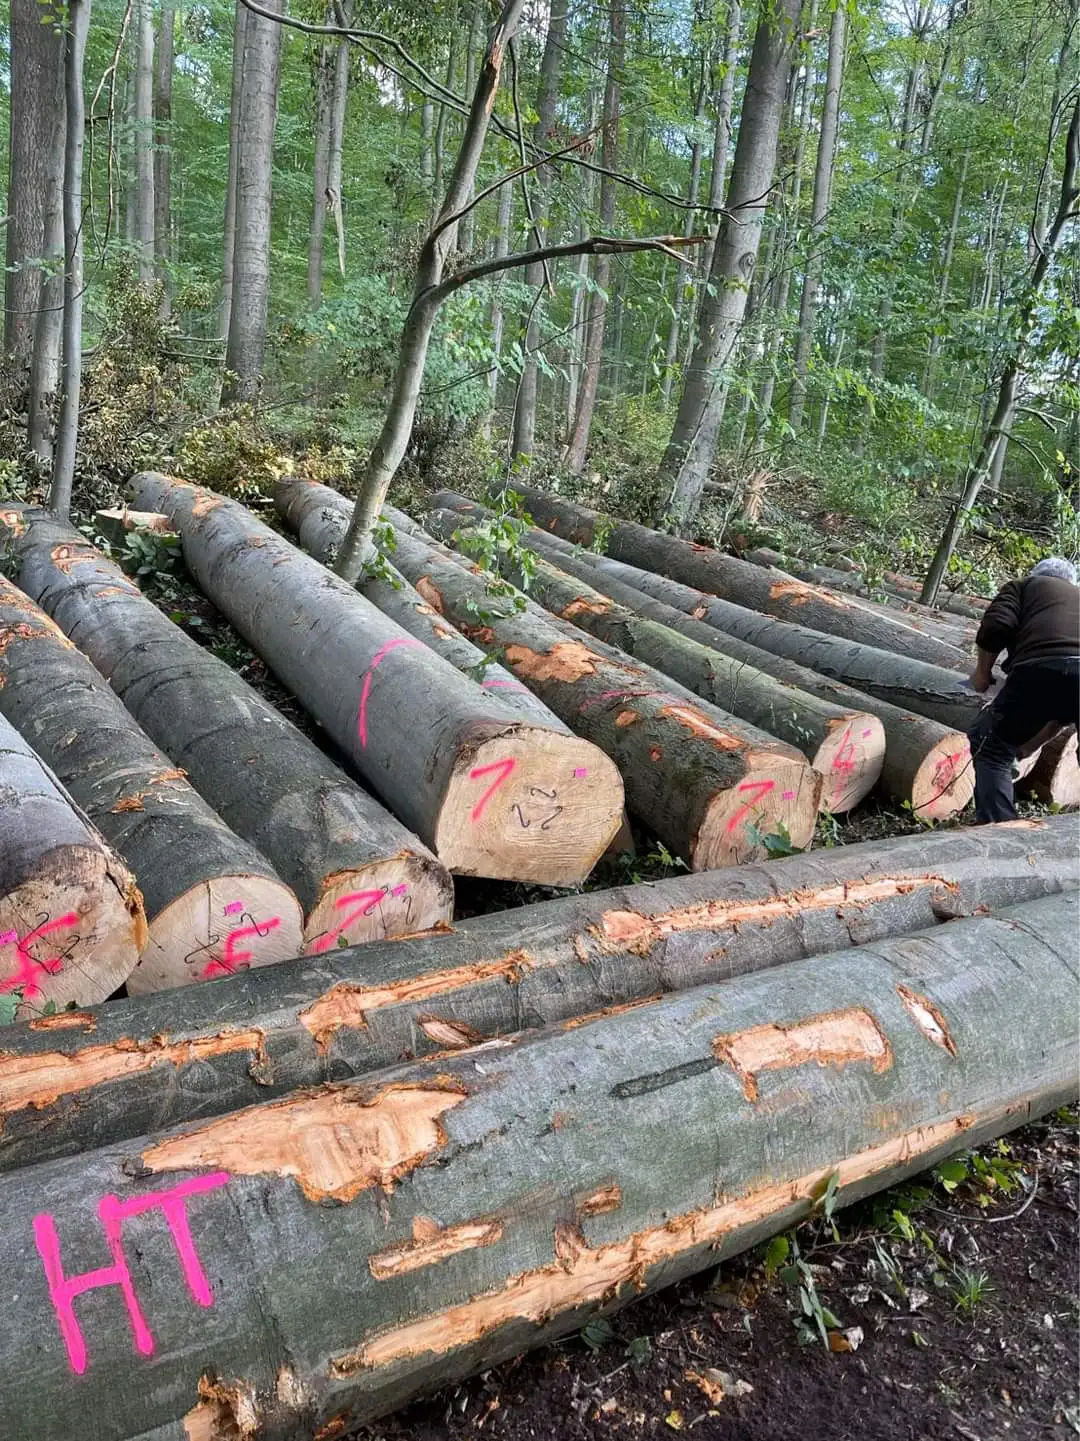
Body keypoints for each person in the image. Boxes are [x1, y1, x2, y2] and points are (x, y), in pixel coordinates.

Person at [967, 556, 1080, 822]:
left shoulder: (1023, 586)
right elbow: (1063, 709)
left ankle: (1002, 832)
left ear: (1035, 575)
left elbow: (996, 626)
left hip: (1038, 669)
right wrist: (1028, 746)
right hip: (1053, 675)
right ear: (1071, 582)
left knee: (991, 749)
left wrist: (982, 673)